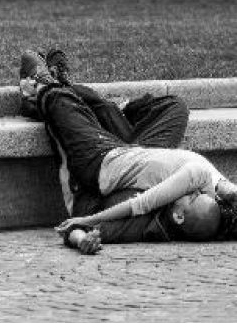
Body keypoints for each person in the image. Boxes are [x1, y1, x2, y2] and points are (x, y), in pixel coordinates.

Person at [19, 49, 237, 254]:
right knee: (175, 107)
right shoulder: (204, 191)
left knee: (62, 103)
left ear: (178, 216)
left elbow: (81, 223)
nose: (199, 191)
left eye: (194, 198)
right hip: (139, 150)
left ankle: (44, 88)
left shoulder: (144, 222)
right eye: (207, 195)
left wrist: (81, 239)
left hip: (103, 160)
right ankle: (109, 109)